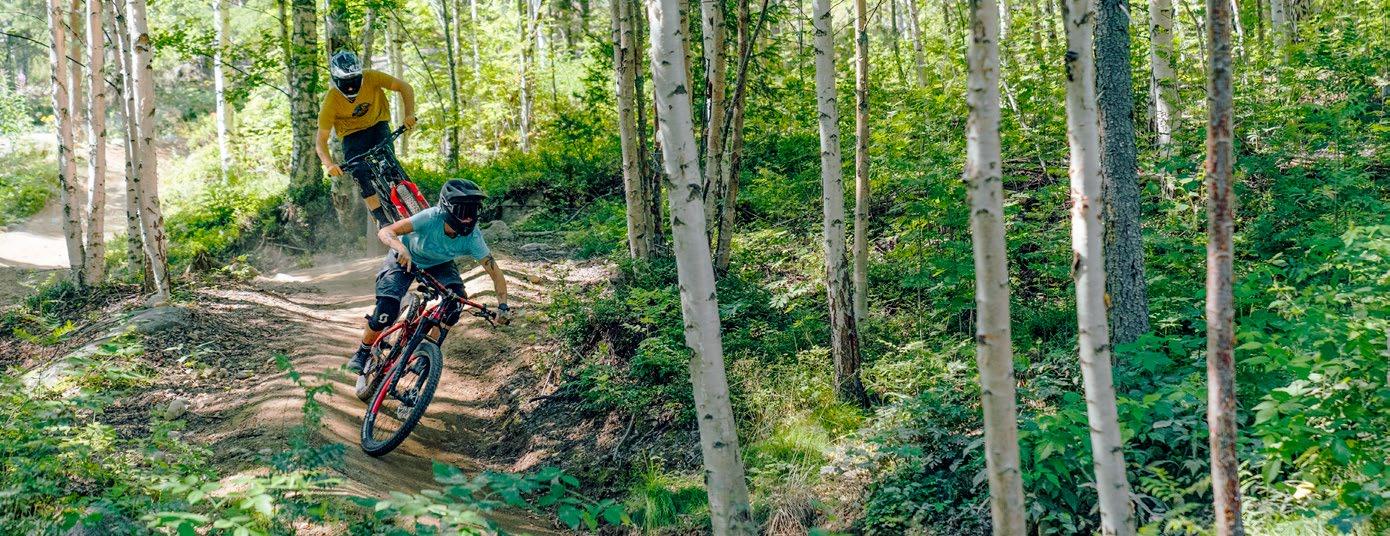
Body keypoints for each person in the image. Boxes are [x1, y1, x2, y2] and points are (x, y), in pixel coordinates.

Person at [349, 179, 513, 377]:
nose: (469, 218)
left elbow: (495, 273)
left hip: (440, 264)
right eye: (463, 211)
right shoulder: (429, 217)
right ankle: (363, 351)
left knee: (456, 303)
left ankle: (427, 351)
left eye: (473, 210)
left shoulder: (473, 237)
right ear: (447, 208)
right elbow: (386, 231)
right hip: (405, 258)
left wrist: (503, 306)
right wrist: (400, 248)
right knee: (386, 309)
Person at [316, 49, 417, 227]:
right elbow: (321, 140)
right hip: (352, 136)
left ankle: (411, 199)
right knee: (360, 173)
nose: (350, 86)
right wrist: (329, 164)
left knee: (390, 164)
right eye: (346, 82)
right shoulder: (331, 100)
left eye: (354, 80)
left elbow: (405, 87)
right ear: (336, 80)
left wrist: (409, 114)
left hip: (378, 126)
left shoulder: (372, 77)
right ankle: (382, 221)